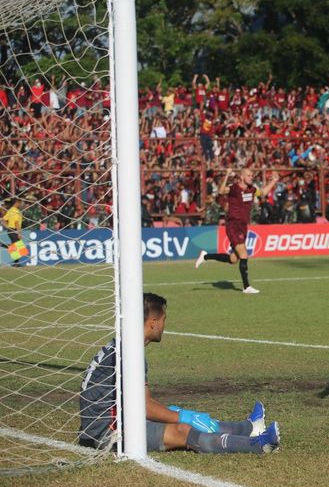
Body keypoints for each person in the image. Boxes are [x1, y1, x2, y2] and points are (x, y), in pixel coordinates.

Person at [79, 293, 280, 453]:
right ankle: (257, 445)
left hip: (109, 421)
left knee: (173, 412)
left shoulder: (124, 345)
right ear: (153, 322)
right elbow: (146, 408)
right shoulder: (130, 352)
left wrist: (180, 413)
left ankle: (250, 428)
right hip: (107, 432)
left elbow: (144, 402)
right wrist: (185, 417)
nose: (164, 326)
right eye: (164, 320)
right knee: (182, 429)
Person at [195, 168, 279, 294]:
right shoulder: (234, 188)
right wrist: (227, 174)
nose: (251, 177)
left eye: (252, 175)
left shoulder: (251, 189)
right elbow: (221, 191)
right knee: (244, 254)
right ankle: (246, 287)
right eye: (249, 175)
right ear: (242, 177)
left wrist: (273, 181)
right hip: (233, 224)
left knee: (233, 259)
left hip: (243, 226)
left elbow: (262, 193)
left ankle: (205, 256)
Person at [1, 197, 24, 266]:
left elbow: (3, 219)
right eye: (20, 203)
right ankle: (16, 263)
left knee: (18, 247)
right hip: (14, 230)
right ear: (17, 202)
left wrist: (7, 227)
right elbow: (16, 223)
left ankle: (16, 263)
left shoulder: (10, 210)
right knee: (17, 246)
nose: (21, 204)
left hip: (10, 230)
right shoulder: (16, 211)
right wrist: (19, 233)